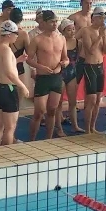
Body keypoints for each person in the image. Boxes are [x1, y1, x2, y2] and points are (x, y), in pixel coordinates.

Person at [28, 10, 69, 140]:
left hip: (56, 78)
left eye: (56, 21)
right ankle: (31, 141)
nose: (55, 24)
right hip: (43, 78)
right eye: (52, 22)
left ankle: (49, 139)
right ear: (44, 22)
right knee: (39, 112)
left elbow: (66, 58)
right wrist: (41, 67)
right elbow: (28, 59)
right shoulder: (37, 39)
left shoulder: (61, 38)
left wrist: (64, 63)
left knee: (52, 110)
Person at [0, 20, 31, 146]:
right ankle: (6, 154)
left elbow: (2, 66)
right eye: (16, 34)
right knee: (10, 128)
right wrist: (23, 86)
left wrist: (17, 60)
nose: (17, 36)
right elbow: (9, 73)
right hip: (8, 90)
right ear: (8, 34)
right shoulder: (6, 50)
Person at [77, 7, 106, 133]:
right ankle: (87, 130)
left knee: (97, 100)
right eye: (100, 18)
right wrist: (100, 36)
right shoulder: (86, 31)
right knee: (91, 100)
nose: (103, 21)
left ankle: (93, 127)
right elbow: (90, 51)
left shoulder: (104, 32)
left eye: (104, 18)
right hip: (89, 66)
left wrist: (104, 37)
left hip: (100, 67)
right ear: (94, 18)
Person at [59, 19, 81, 135]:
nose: (72, 31)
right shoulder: (59, 42)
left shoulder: (78, 43)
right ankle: (59, 128)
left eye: (73, 29)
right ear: (63, 31)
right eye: (69, 30)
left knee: (73, 102)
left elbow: (80, 58)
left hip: (72, 73)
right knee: (58, 103)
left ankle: (75, 126)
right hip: (60, 74)